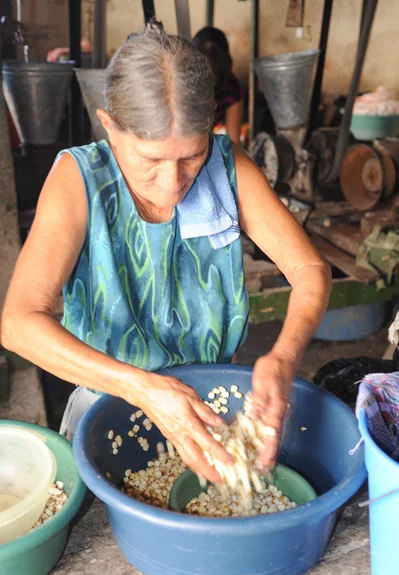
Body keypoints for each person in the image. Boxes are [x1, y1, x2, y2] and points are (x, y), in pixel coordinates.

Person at [1, 20, 331, 485]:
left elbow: (310, 269)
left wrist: (284, 357)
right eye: (151, 160)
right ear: (110, 126)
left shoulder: (226, 163)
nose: (173, 183)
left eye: (190, 157)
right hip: (109, 405)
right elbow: (19, 323)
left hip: (217, 401)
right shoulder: (80, 180)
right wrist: (142, 388)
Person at [192, 26, 243, 145]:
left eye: (213, 71)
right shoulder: (182, 87)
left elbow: (233, 143)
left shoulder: (231, 89)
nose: (208, 74)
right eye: (203, 69)